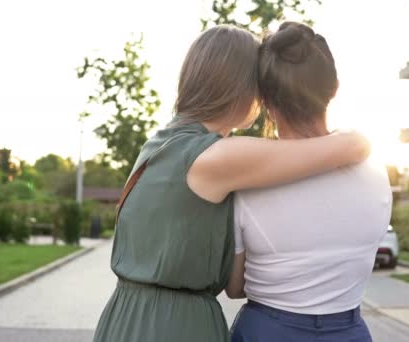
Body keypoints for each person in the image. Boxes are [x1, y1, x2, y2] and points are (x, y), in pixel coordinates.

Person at [93, 24, 371, 342]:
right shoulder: (215, 157)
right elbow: (353, 146)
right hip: (174, 327)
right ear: (243, 87)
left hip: (126, 318)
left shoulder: (162, 144)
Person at [227, 22, 392, 342]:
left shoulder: (248, 182)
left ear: (267, 104)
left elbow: (235, 287)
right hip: (349, 332)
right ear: (335, 88)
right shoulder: (375, 172)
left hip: (268, 332)